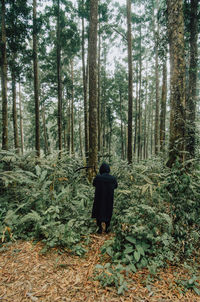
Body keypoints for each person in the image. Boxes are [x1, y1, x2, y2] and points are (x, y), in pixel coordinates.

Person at [92, 163, 118, 234]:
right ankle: (107, 228)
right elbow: (116, 186)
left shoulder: (98, 177)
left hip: (99, 199)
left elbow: (93, 184)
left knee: (98, 211)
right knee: (108, 211)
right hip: (108, 199)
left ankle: (100, 228)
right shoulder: (112, 178)